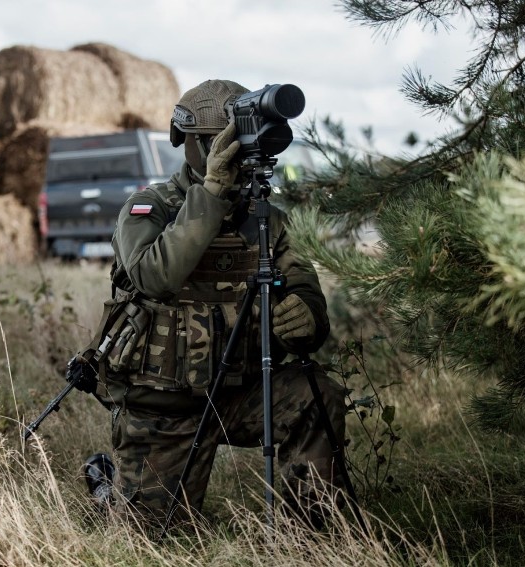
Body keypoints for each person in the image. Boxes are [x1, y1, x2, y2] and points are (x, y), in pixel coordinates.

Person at [81, 79, 346, 530]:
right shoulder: (150, 209)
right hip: (164, 405)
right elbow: (154, 276)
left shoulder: (268, 221)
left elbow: (307, 296)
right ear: (191, 143)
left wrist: (305, 316)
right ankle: (108, 487)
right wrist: (212, 193)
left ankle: (311, 532)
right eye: (220, 144)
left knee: (315, 392)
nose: (236, 157)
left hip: (241, 394)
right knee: (150, 535)